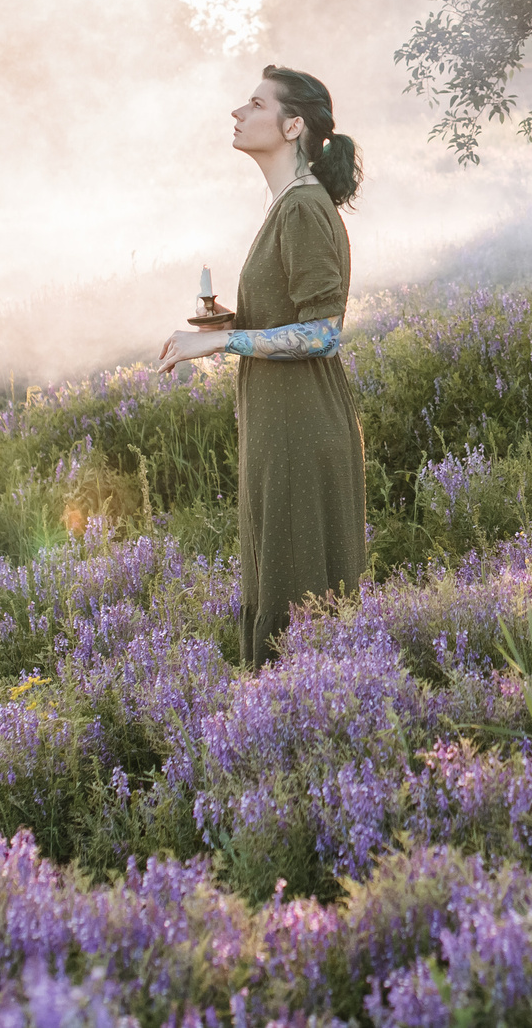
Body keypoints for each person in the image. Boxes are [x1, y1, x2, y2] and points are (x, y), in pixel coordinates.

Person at [156, 66, 366, 666]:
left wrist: (224, 344)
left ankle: (296, 730)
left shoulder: (301, 208)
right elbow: (292, 314)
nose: (237, 113)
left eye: (254, 104)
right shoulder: (287, 205)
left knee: (297, 590)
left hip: (301, 427)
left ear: (292, 125)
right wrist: (228, 322)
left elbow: (325, 333)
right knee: (281, 576)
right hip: (281, 422)